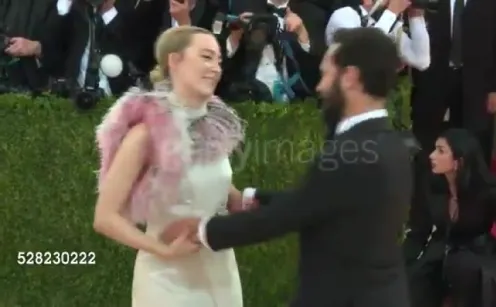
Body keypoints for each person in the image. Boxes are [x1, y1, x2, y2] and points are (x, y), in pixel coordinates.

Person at [161, 27, 414, 307]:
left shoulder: (351, 153)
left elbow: (290, 215)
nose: (319, 87)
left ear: (350, 77)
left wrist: (203, 231)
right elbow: (320, 203)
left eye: (327, 74)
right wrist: (250, 198)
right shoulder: (390, 144)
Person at [92, 26, 246, 306]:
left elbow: (214, 186)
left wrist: (244, 201)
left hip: (223, 274)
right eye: (206, 57)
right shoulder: (145, 133)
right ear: (175, 61)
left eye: (218, 60)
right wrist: (163, 250)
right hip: (168, 282)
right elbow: (105, 217)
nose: (215, 68)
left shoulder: (214, 127)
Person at [405, 128, 496, 307]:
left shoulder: (489, 189)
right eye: (434, 148)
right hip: (440, 250)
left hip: (475, 252)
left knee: (463, 272)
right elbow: (419, 231)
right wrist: (399, 263)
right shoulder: (429, 185)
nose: (431, 155)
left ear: (459, 161)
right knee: (415, 283)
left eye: (441, 151)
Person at [410, 0, 496, 167]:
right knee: (425, 134)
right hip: (432, 76)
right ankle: (425, 186)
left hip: (477, 80)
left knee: (474, 137)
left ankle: (472, 187)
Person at [325, 0, 431, 71]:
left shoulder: (386, 24)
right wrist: (392, 12)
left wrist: (416, 17)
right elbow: (362, 53)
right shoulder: (344, 15)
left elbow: (421, 60)